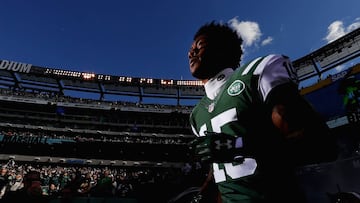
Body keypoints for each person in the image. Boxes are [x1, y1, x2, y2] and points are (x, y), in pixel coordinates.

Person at [187, 21, 338, 203]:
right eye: (190, 49)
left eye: (200, 46)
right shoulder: (197, 114)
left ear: (222, 49)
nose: (191, 53)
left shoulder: (256, 75)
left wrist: (237, 145)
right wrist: (204, 193)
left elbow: (321, 144)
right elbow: (224, 169)